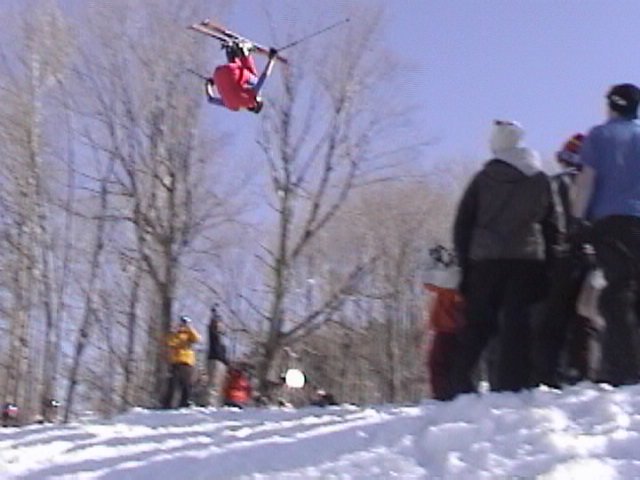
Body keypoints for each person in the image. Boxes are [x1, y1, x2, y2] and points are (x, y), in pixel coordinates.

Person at [450, 120, 557, 397]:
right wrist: (551, 264)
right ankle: (513, 384)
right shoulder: (540, 178)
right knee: (516, 324)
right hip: (526, 259)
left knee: (478, 324)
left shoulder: (483, 179)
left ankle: (459, 383)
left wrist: (465, 265)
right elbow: (551, 224)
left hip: (485, 261)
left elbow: (464, 223)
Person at [572, 83, 640, 386]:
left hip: (611, 222)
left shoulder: (599, 135)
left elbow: (587, 180)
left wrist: (577, 220)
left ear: (612, 104)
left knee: (618, 291)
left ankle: (624, 368)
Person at [534, 134, 596, 387]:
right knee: (585, 319)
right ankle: (580, 369)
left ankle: (548, 373)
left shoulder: (551, 184)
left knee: (553, 319)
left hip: (557, 259)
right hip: (592, 258)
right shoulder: (596, 187)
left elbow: (540, 222)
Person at [423, 246, 464, 400]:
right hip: (453, 326)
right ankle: (449, 397)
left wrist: (435, 263)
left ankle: (444, 399)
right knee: (445, 366)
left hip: (450, 327)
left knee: (439, 365)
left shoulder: (455, 277)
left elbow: (429, 282)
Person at [205, 41, 278, 114]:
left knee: (255, 79)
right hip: (217, 74)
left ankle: (244, 51)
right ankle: (229, 49)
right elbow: (210, 99)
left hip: (233, 71)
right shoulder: (234, 107)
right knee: (237, 77)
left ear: (257, 103)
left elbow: (264, 76)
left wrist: (271, 59)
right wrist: (209, 84)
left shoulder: (253, 97)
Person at [162, 315, 201, 408]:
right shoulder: (174, 334)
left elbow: (197, 339)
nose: (183, 325)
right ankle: (167, 404)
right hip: (175, 362)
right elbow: (170, 342)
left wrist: (189, 328)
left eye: (185, 322)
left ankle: (185, 402)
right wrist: (176, 333)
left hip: (187, 362)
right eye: (182, 322)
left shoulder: (189, 334)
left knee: (187, 384)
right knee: (173, 384)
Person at [207, 304, 228, 406]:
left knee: (219, 384)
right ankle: (210, 403)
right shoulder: (213, 333)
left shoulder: (222, 337)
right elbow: (211, 326)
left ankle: (216, 403)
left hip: (221, 362)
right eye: (219, 323)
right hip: (214, 359)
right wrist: (214, 314)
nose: (220, 325)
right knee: (213, 383)